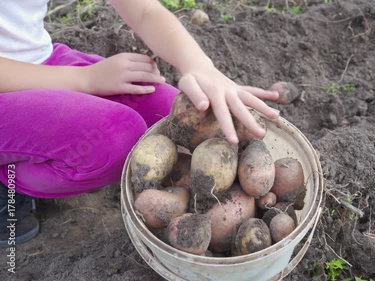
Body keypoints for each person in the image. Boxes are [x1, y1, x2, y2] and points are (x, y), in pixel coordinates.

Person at [0, 0, 280, 247]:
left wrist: (200, 66)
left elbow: (145, 10)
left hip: (41, 62)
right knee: (117, 138)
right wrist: (85, 80)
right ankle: (7, 183)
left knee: (172, 118)